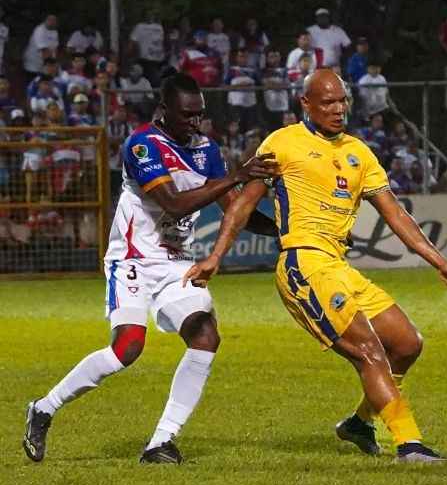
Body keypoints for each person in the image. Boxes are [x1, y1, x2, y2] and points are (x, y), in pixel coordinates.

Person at [183, 68, 447, 463]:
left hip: (338, 265)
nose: (337, 109)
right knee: (369, 351)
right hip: (303, 264)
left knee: (406, 344)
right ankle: (410, 445)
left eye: (342, 101)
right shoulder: (282, 143)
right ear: (306, 104)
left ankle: (359, 424)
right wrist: (215, 256)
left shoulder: (358, 152)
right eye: (328, 102)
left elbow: (396, 214)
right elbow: (242, 206)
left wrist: (440, 261)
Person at [22, 73, 279, 465]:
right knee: (127, 349)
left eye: (200, 115)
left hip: (176, 264)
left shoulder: (206, 150)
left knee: (206, 336)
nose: (195, 123)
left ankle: (161, 442)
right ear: (165, 110)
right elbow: (174, 203)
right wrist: (235, 176)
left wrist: (287, 230)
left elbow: (236, 210)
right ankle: (43, 408)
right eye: (187, 115)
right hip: (132, 260)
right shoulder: (142, 145)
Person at [128, 13, 165, 87]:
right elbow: (162, 43)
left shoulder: (139, 27)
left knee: (141, 80)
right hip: (157, 60)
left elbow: (132, 44)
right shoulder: (159, 28)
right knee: (155, 81)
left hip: (145, 59)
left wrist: (129, 56)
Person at [23, 14, 59, 82]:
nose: (52, 22)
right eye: (50, 19)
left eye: (54, 20)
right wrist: (51, 66)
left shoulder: (55, 32)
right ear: (45, 20)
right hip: (33, 63)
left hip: (45, 64)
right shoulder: (39, 30)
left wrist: (54, 62)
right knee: (33, 83)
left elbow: (55, 49)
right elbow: (44, 50)